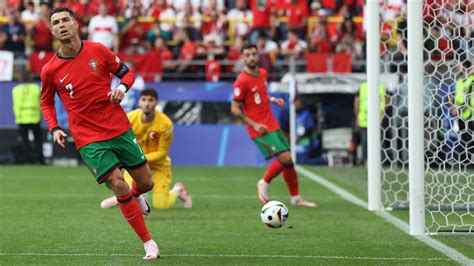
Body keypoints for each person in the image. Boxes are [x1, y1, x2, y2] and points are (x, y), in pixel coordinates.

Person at [40, 7, 159, 260]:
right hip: (87, 136)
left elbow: (127, 73)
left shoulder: (98, 50)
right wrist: (54, 127)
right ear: (52, 31)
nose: (61, 25)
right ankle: (148, 243)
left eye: (65, 20)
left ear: (75, 24)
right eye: (56, 22)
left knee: (147, 182)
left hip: (117, 126)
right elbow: (46, 102)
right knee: (117, 183)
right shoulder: (50, 70)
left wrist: (122, 88)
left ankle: (135, 196)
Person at [231, 43, 317, 208]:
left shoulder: (262, 73)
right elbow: (234, 109)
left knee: (289, 161)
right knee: (285, 158)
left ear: (258, 55)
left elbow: (259, 95)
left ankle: (296, 198)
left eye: (253, 54)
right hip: (259, 128)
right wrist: (254, 124)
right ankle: (264, 182)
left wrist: (271, 100)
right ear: (242, 58)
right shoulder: (241, 81)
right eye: (247, 55)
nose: (251, 58)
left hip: (271, 123)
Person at [100, 89, 193, 210]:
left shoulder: (166, 124)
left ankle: (178, 190)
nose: (147, 103)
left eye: (151, 100)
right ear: (139, 102)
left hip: (158, 167)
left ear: (156, 103)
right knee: (131, 194)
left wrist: (138, 158)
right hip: (134, 166)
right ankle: (128, 196)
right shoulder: (129, 119)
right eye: (144, 100)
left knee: (162, 205)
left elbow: (162, 153)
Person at [12, 71, 45, 164]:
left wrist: (17, 116)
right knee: (38, 140)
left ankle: (28, 160)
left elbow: (16, 104)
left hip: (21, 118)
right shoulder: (36, 88)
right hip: (34, 117)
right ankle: (41, 160)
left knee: (25, 141)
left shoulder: (15, 89)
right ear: (30, 78)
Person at [353, 82, 387, 166]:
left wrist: (383, 111)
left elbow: (386, 100)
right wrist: (357, 117)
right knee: (367, 141)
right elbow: (356, 102)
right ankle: (367, 160)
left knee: (377, 141)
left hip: (377, 120)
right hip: (365, 120)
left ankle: (378, 161)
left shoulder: (381, 87)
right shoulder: (362, 87)